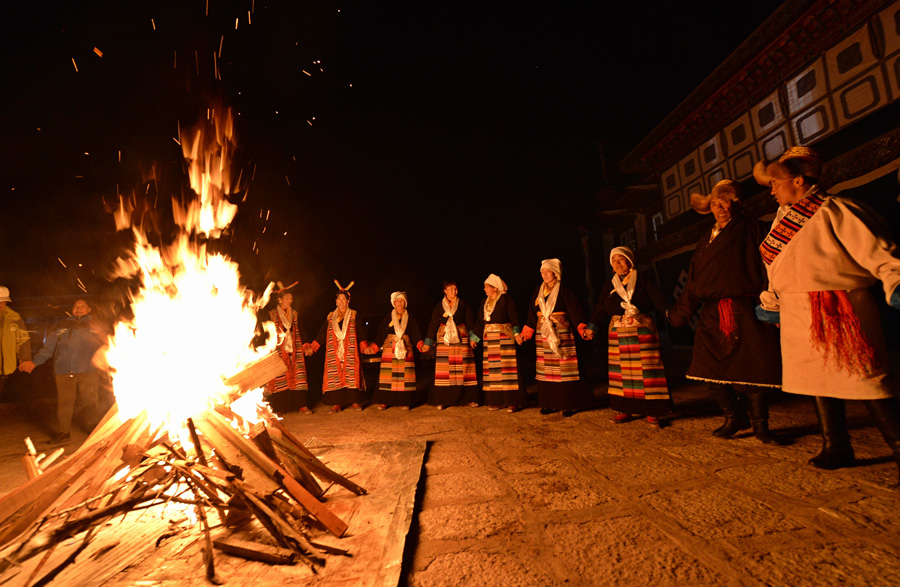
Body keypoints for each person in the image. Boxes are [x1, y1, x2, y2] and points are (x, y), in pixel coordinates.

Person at [754, 147, 900, 476]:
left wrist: (896, 280)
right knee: (817, 379)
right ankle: (836, 445)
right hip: (798, 310)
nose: (772, 190)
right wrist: (772, 302)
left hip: (840, 307)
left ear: (798, 180)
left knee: (866, 380)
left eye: (775, 182)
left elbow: (879, 253)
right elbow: (777, 269)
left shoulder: (837, 210)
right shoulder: (781, 221)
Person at [667, 180, 783, 443]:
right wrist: (680, 313)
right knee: (707, 367)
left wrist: (772, 304)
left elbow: (770, 267)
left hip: (748, 308)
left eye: (724, 202)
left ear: (736, 203)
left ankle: (761, 426)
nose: (719, 209)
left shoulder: (754, 229)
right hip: (712, 311)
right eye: (714, 204)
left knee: (754, 369)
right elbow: (694, 280)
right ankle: (734, 416)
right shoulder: (705, 237)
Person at [584, 247, 672, 427]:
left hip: (642, 330)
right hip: (618, 333)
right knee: (621, 374)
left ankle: (653, 410)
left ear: (630, 261)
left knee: (648, 371)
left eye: (621, 259)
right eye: (614, 260)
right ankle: (624, 409)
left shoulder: (643, 279)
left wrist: (672, 313)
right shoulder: (610, 285)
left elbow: (658, 298)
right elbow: (601, 307)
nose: (617, 263)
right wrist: (592, 327)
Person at [517, 258, 592, 417]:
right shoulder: (538, 291)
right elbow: (532, 313)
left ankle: (567, 404)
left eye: (548, 271)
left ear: (556, 273)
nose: (544, 275)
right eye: (542, 272)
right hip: (543, 334)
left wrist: (582, 327)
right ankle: (549, 403)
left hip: (561, 333)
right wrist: (526, 332)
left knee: (564, 369)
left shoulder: (563, 290)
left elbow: (575, 310)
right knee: (546, 370)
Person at [31, 299, 107, 445]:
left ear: (89, 309)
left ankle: (94, 430)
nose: (78, 308)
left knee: (90, 401)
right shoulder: (61, 325)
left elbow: (107, 345)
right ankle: (64, 432)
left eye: (82, 306)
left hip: (88, 370)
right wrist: (35, 362)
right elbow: (48, 348)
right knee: (64, 402)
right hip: (63, 370)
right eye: (75, 306)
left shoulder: (96, 324)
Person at [310, 281, 367, 413]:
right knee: (335, 375)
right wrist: (313, 347)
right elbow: (322, 333)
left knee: (351, 374)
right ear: (336, 301)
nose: (341, 301)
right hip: (334, 351)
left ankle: (355, 401)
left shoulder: (354, 315)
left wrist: (364, 346)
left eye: (343, 299)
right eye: (339, 299)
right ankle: (337, 403)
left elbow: (361, 331)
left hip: (350, 350)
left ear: (348, 301)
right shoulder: (331, 317)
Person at [472, 273, 526, 412]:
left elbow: (514, 318)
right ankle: (497, 401)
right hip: (490, 341)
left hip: (504, 339)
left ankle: (512, 401)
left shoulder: (506, 300)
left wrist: (517, 334)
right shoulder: (484, 303)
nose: (484, 289)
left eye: (486, 287)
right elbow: (480, 322)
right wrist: (475, 338)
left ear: (495, 288)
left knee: (508, 370)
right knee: (493, 371)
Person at [422, 281, 478, 409]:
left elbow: (470, 321)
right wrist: (428, 343)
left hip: (462, 339)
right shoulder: (439, 306)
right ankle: (443, 399)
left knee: (465, 368)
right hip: (444, 340)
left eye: (455, 288)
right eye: (451, 288)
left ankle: (469, 398)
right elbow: (433, 324)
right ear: (445, 291)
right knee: (445, 371)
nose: (454, 291)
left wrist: (473, 339)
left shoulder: (463, 304)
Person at [364, 291, 424, 410]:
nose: (400, 303)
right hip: (390, 348)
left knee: (405, 376)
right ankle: (384, 400)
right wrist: (373, 348)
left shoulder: (410, 317)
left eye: (402, 301)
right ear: (394, 303)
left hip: (406, 348)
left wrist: (421, 344)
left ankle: (404, 401)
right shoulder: (389, 317)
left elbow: (416, 333)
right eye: (397, 301)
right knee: (388, 376)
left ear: (405, 303)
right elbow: (381, 333)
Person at [264, 282, 312, 414]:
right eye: (287, 298)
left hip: (295, 348)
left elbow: (301, 329)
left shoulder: (294, 314)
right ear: (279, 300)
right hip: (279, 349)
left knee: (298, 375)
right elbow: (267, 333)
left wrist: (305, 345)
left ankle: (302, 405)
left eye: (291, 298)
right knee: (280, 377)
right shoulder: (272, 314)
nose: (290, 300)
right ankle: (280, 408)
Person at [0, 286, 35, 398]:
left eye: (3, 302)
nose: (1, 305)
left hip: (2, 369)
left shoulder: (14, 318)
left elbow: (23, 340)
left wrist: (25, 359)